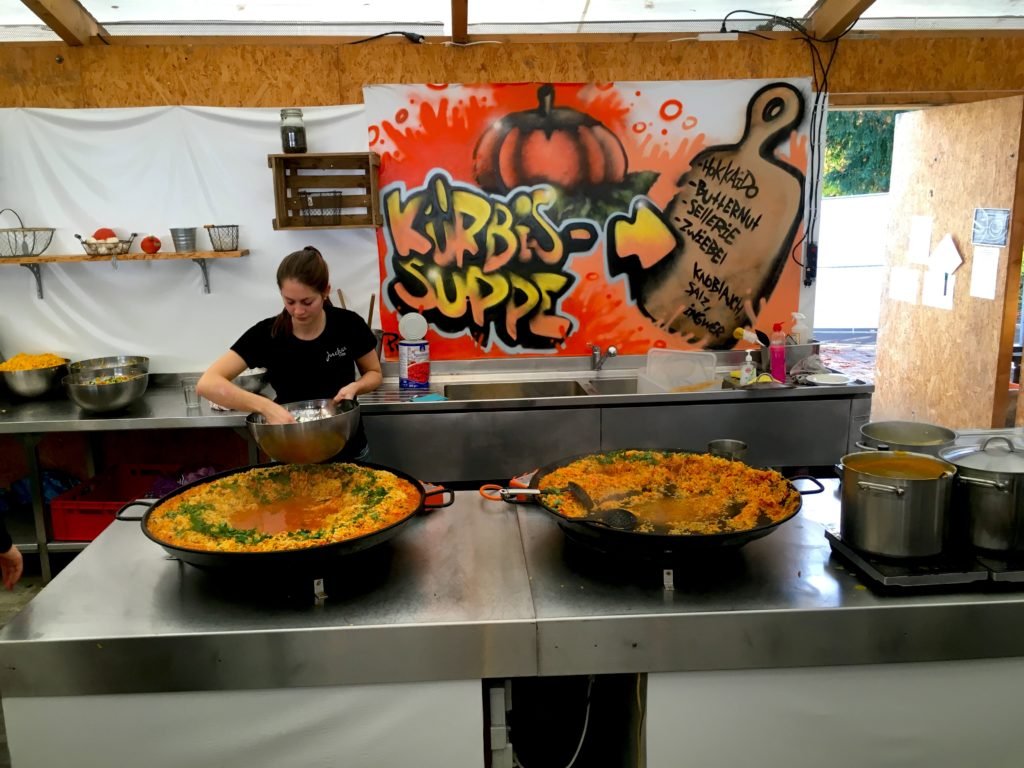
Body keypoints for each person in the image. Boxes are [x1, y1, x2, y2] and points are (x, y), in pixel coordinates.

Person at [197, 246, 382, 461]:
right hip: (289, 455)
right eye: (289, 302)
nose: (298, 311)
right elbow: (207, 384)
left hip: (349, 450)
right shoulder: (268, 333)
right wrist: (265, 406)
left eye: (307, 302)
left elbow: (374, 373)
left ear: (325, 291)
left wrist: (356, 386)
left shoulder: (348, 324)